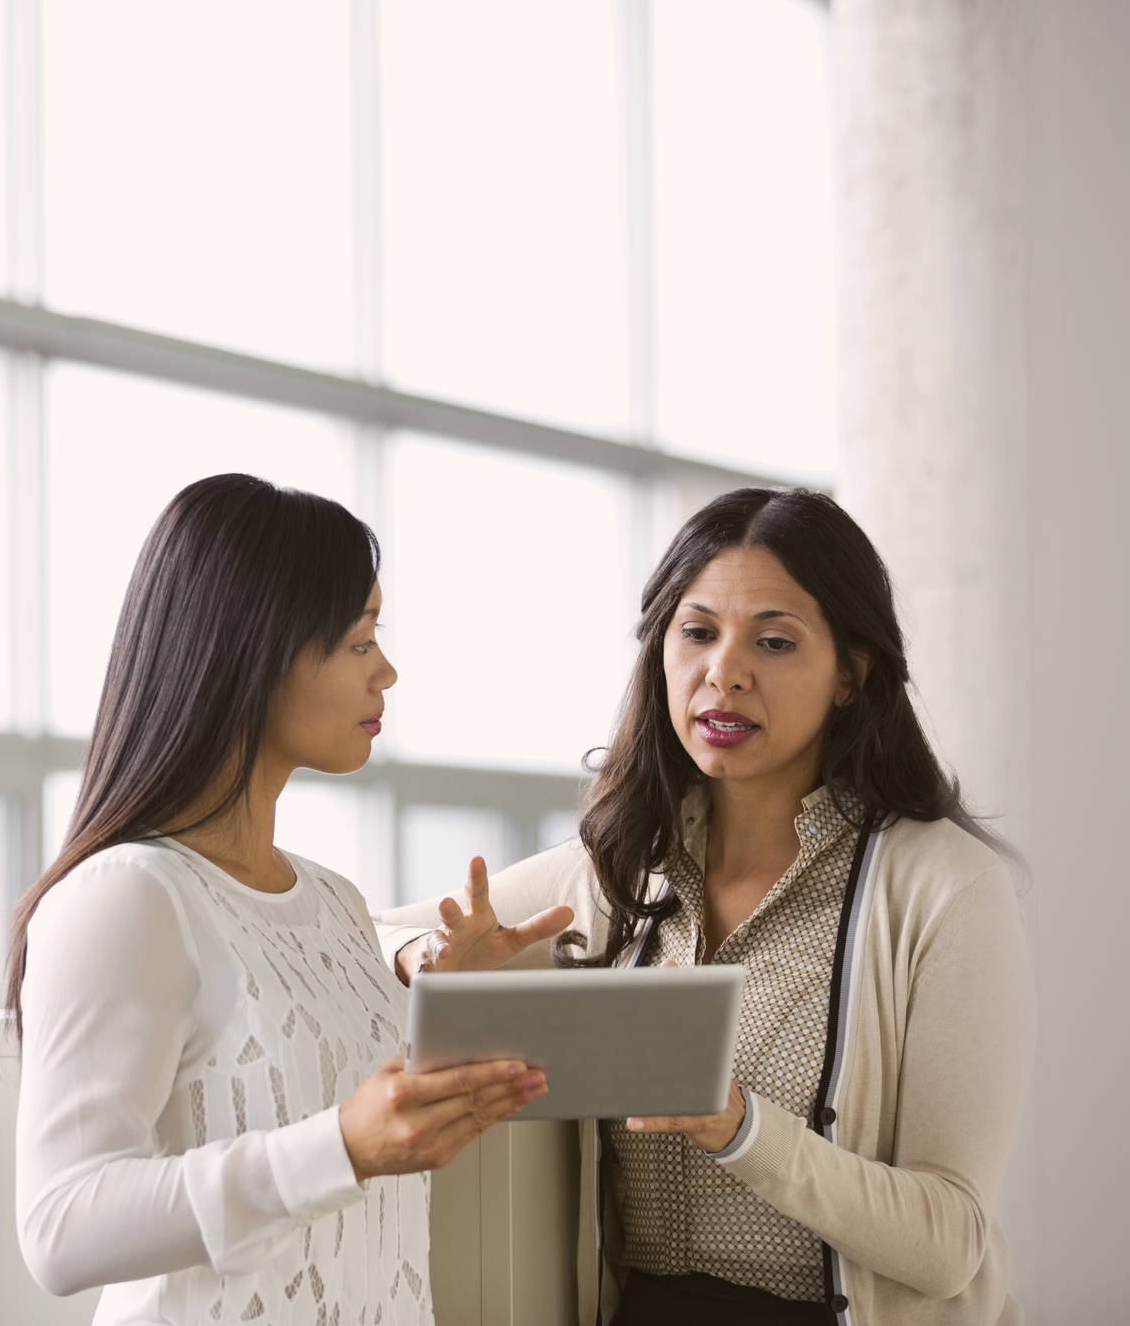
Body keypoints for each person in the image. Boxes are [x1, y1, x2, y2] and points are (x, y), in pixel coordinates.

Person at [380, 488, 1034, 1326]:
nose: (724, 671)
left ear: (851, 674)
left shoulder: (943, 888)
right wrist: (428, 959)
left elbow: (950, 1242)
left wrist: (740, 1129)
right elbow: (350, 928)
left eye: (774, 640)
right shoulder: (615, 874)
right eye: (697, 632)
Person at [9, 473, 561, 1326]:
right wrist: (338, 1148)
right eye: (359, 640)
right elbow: (61, 1228)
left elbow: (310, 1088)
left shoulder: (336, 901)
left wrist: (450, 994)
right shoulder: (126, 898)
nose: (388, 671)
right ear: (257, 650)